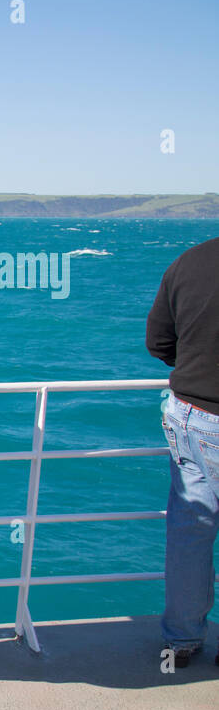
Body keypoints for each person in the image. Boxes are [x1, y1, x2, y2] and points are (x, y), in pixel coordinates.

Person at [146, 236, 219, 668]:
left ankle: (182, 641)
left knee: (191, 530)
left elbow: (159, 344)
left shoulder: (189, 261)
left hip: (190, 414)